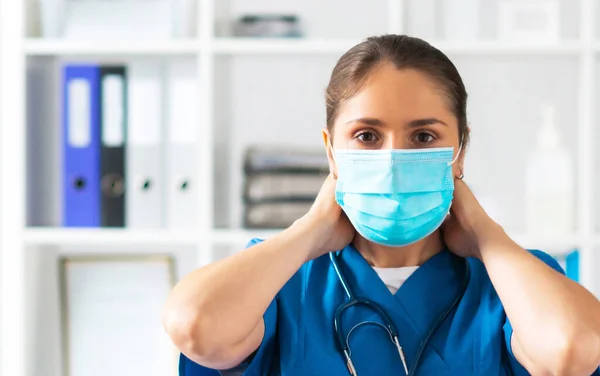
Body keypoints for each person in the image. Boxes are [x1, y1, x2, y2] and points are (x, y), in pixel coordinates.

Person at [162, 35, 600, 376]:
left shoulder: (511, 284)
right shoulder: (280, 280)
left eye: (423, 137)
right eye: (367, 136)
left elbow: (573, 350)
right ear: (332, 151)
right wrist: (310, 229)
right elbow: (194, 326)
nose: (392, 160)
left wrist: (488, 237)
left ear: (460, 150)